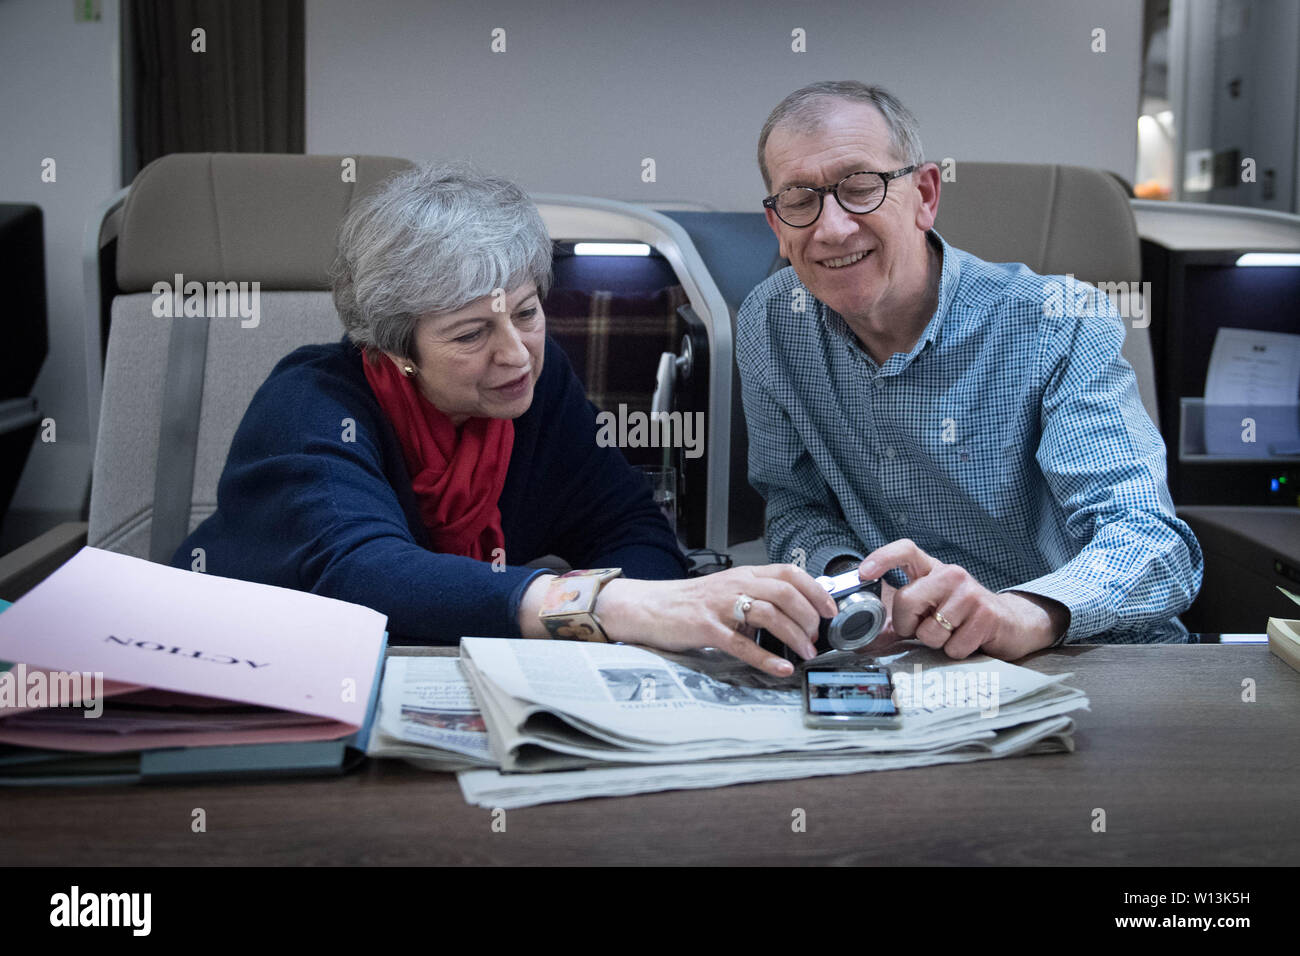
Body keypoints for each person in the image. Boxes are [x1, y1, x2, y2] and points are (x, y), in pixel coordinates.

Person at [173, 162, 836, 676]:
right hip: (235, 687)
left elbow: (628, 526)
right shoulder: (311, 406)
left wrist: (643, 609)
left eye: (526, 312)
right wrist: (598, 605)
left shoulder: (534, 387)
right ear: (397, 351)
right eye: (470, 335)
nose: (516, 353)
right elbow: (363, 574)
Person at [737, 81, 1203, 660]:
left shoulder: (1059, 322)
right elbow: (794, 505)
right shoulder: (771, 323)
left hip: (1081, 658)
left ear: (925, 195)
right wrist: (856, 580)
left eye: (860, 188)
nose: (832, 228)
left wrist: (1022, 613)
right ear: (778, 227)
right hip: (907, 659)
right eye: (801, 200)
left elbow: (1152, 546)